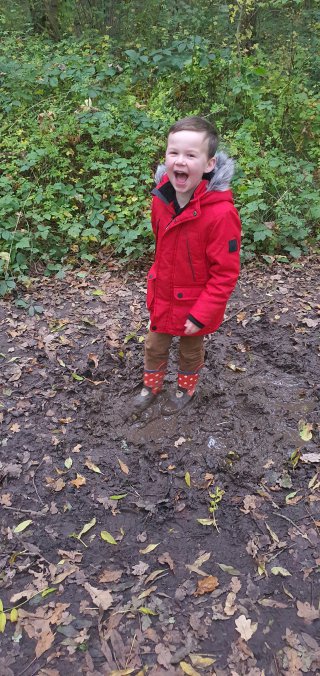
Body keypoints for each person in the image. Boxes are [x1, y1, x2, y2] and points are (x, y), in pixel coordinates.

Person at [133, 116, 241, 415]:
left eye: (191, 155)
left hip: (195, 303)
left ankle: (185, 389)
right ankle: (151, 386)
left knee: (190, 350)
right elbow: (161, 247)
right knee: (154, 345)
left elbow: (225, 273)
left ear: (209, 164)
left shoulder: (221, 215)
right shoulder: (161, 199)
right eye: (174, 152)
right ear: (166, 156)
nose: (181, 161)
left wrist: (202, 312)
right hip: (163, 294)